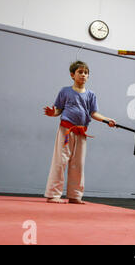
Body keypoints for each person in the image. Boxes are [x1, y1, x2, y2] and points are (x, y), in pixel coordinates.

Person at [43, 60, 116, 204]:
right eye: (80, 72)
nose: (83, 75)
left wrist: (107, 120)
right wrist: (53, 113)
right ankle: (53, 194)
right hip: (66, 130)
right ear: (72, 75)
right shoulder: (65, 91)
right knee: (60, 161)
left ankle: (75, 195)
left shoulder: (90, 95)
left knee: (78, 164)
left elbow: (94, 113)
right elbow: (58, 109)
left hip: (81, 132)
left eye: (86, 73)